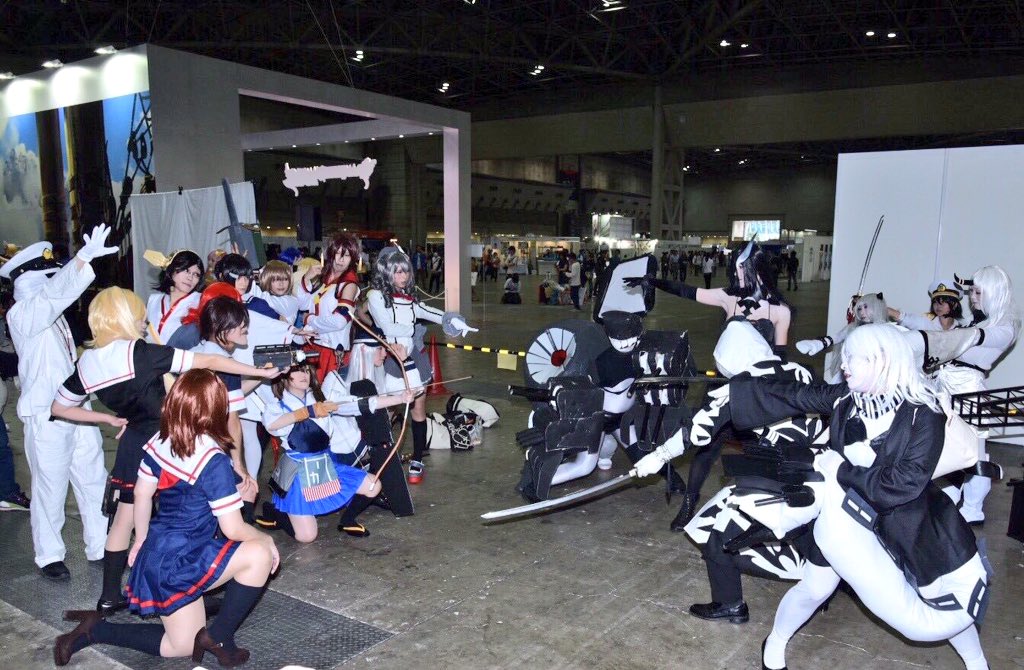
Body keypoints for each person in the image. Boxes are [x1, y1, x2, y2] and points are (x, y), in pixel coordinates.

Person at [717, 324, 990, 670]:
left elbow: (904, 483)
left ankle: (977, 662)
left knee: (943, 598)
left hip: (908, 524)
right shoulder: (847, 398)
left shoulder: (924, 412)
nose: (844, 365)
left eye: (853, 358)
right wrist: (738, 388)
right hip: (845, 518)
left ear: (881, 360)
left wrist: (841, 469)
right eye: (844, 356)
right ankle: (775, 642)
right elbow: (797, 394)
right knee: (815, 587)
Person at [50, 286, 281, 614]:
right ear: (124, 317)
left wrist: (110, 418)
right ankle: (195, 582)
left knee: (124, 521)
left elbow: (59, 407)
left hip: (135, 443)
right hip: (172, 441)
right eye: (139, 316)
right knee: (198, 513)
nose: (144, 322)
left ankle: (110, 595)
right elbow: (209, 360)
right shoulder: (139, 352)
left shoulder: (87, 362)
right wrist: (261, 372)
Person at [53, 369, 280, 668]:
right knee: (260, 553)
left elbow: (142, 495)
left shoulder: (161, 440)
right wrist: (266, 539)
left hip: (159, 555)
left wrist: (141, 540)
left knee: (182, 646)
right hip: (185, 560)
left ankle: (95, 630)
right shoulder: (213, 460)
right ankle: (221, 637)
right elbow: (233, 528)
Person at [625, 240, 792, 528]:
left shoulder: (780, 311)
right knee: (705, 447)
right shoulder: (729, 298)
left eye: (742, 269)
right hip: (721, 388)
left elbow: (780, 360)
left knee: (763, 452)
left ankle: (764, 510)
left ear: (757, 268)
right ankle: (689, 505)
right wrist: (653, 281)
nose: (737, 275)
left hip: (754, 392)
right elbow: (688, 291)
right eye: (735, 270)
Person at [0, 225, 117, 580]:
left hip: (77, 407)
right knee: (50, 487)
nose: (53, 278)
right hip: (45, 414)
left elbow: (56, 299)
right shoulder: (22, 313)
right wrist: (82, 259)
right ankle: (49, 554)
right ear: (27, 280)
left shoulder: (53, 314)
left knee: (93, 478)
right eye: (46, 273)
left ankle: (101, 545)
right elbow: (52, 296)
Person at [258, 363, 411, 542]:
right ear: (284, 377)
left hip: (325, 466)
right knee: (307, 537)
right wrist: (306, 412)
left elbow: (361, 404)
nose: (304, 374)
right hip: (298, 474)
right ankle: (275, 513)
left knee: (373, 486)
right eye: (297, 371)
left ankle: (347, 519)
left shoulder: (321, 400)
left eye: (306, 370)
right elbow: (271, 424)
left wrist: (400, 398)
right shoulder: (279, 406)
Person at [366, 247, 476, 483]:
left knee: (418, 408)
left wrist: (451, 320)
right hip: (389, 356)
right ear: (386, 271)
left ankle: (417, 458)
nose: (403, 276)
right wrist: (412, 328)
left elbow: (426, 311)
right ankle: (380, 457)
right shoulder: (375, 296)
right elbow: (386, 325)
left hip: (413, 355)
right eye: (397, 272)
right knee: (386, 409)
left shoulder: (408, 296)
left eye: (405, 271)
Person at [296, 234, 361, 375]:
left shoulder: (349, 285)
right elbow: (303, 305)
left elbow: (340, 321)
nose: (341, 259)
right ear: (331, 253)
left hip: (331, 351)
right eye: (338, 253)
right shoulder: (324, 279)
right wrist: (306, 278)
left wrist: (309, 320)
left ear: (352, 259)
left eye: (347, 255)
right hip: (312, 345)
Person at [144, 250, 204, 345]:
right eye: (186, 270)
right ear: (171, 270)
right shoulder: (153, 300)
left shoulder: (201, 301)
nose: (190, 278)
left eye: (196, 274)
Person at [247, 259, 299, 324]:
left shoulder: (292, 301)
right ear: (267, 280)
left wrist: (249, 276)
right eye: (276, 279)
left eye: (285, 279)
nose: (281, 284)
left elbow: (264, 299)